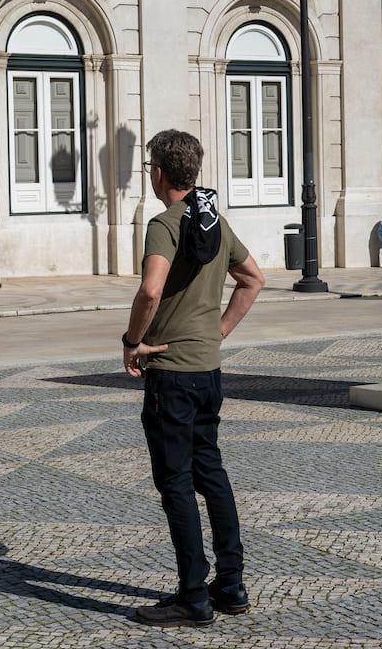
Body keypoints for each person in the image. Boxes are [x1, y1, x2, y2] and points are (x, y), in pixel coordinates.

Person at [122, 129, 265, 628]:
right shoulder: (213, 221)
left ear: (159, 173)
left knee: (176, 482)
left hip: (172, 376)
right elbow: (253, 279)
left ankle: (193, 597)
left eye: (150, 168)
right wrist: (216, 332)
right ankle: (231, 585)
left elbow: (150, 290)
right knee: (211, 472)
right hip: (207, 371)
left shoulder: (165, 224)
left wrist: (132, 341)